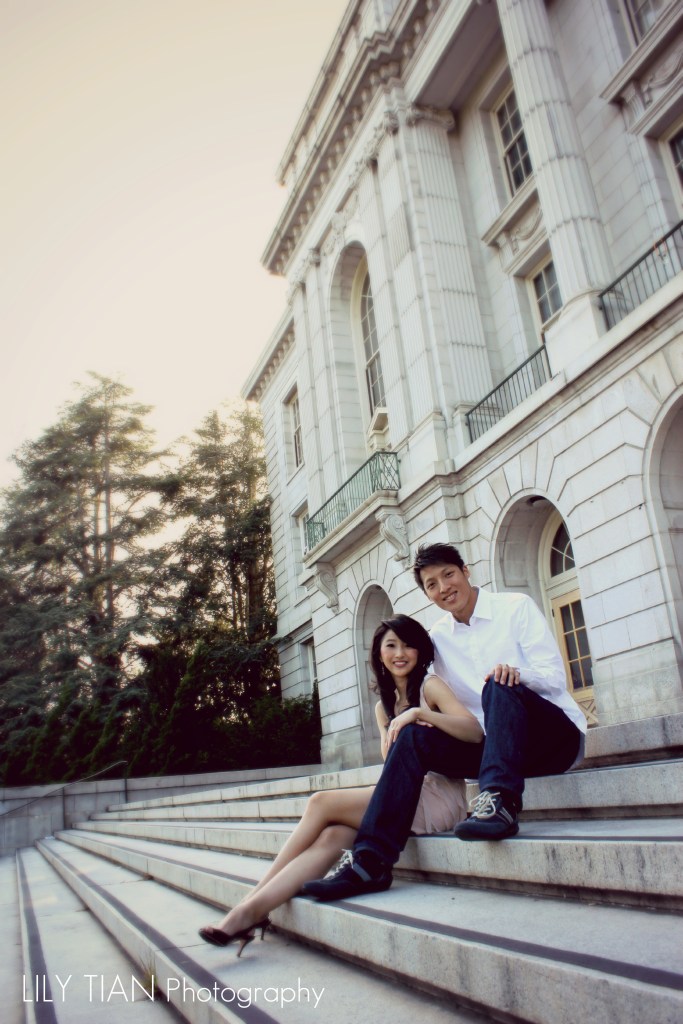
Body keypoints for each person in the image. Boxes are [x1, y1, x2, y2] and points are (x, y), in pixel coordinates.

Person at [302, 541, 587, 902]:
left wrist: (515, 674)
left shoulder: (515, 607)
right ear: (427, 594)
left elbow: (554, 678)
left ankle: (499, 803)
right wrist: (407, 716)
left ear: (465, 571)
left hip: (553, 740)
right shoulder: (437, 638)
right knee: (412, 734)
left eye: (448, 574)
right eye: (432, 584)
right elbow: (425, 691)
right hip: (491, 751)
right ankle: (370, 862)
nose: (443, 587)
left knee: (498, 683)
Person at [198, 612, 481, 954]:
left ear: (420, 651)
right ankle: (253, 911)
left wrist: (420, 713)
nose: (400, 653)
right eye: (391, 645)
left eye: (408, 645)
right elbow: (393, 767)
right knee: (332, 836)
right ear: (379, 653)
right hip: (399, 799)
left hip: (439, 798)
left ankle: (247, 901)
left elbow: (473, 731)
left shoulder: (430, 687)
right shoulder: (382, 708)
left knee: (320, 803)